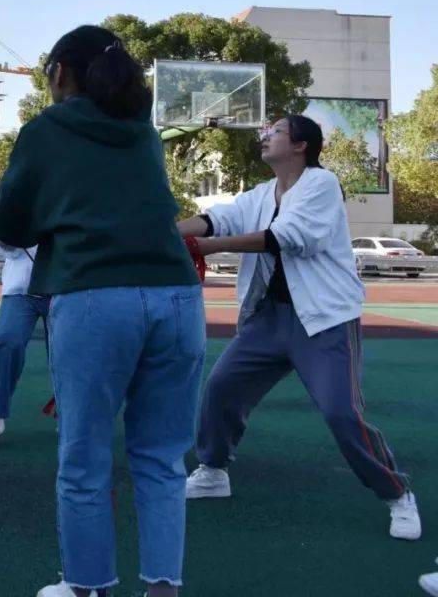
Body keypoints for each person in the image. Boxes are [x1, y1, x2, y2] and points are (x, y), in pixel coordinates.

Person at [0, 25, 205, 597]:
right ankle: (162, 589)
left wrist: (9, 205)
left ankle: (88, 588)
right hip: (178, 297)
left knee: (84, 460)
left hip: (93, 298)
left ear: (60, 72)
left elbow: (12, 226)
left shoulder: (44, 130)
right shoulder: (144, 134)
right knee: (161, 459)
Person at [177, 114, 420, 541]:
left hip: (323, 320)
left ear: (300, 145)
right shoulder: (259, 193)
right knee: (221, 388)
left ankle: (397, 493)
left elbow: (285, 236)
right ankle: (213, 470)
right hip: (268, 318)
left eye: (274, 133)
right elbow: (219, 218)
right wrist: (168, 233)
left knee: (341, 413)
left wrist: (205, 247)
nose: (265, 137)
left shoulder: (322, 185)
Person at [0, 205, 46, 449]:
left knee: (70, 353)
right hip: (20, 291)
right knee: (6, 342)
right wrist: (0, 213)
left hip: (64, 290)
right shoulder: (21, 195)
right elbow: (6, 246)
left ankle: (72, 415)